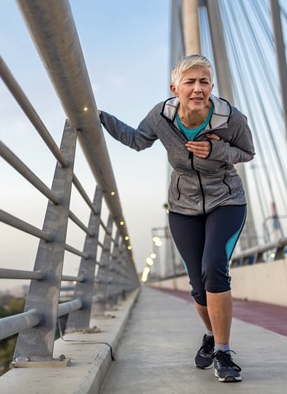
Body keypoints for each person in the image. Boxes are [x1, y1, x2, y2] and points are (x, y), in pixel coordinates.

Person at [99, 54, 255, 383]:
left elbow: (247, 152)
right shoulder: (161, 116)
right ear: (175, 88)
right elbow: (137, 140)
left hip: (226, 201)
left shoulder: (230, 118)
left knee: (214, 268)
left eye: (204, 82)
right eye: (190, 82)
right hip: (183, 208)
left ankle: (223, 352)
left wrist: (218, 152)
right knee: (198, 286)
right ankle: (211, 336)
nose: (197, 88)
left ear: (212, 86)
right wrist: (95, 115)